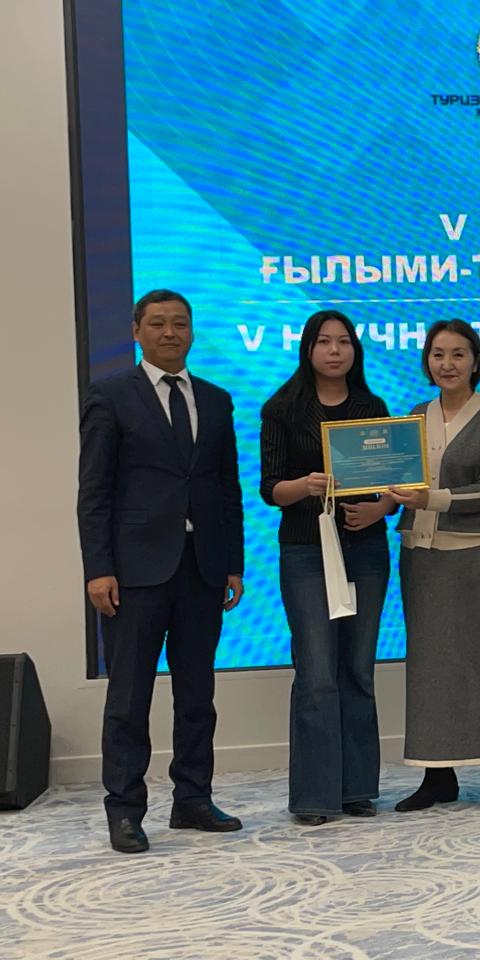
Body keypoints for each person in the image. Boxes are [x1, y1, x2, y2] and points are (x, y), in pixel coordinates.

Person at [78, 289, 245, 854]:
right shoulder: (109, 396)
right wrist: (98, 568)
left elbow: (226, 488)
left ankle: (193, 799)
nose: (169, 332)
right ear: (136, 331)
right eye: (157, 324)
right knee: (129, 699)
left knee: (197, 695)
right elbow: (94, 491)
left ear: (192, 332)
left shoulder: (216, 400)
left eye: (179, 323)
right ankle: (125, 810)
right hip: (134, 573)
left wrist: (233, 563)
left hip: (202, 568)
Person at [260, 310, 392, 825]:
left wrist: (381, 508)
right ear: (308, 349)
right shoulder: (282, 408)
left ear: (355, 350)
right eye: (324, 342)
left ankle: (357, 788)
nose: (334, 351)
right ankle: (315, 796)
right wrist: (305, 486)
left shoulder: (371, 407)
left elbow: (394, 481)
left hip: (365, 548)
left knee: (357, 669)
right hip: (307, 551)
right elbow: (271, 489)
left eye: (343, 342)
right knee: (317, 672)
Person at [385, 320, 480, 813]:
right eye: (438, 354)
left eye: (458, 354)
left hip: (475, 555)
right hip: (421, 556)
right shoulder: (415, 416)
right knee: (429, 667)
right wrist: (377, 503)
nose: (447, 364)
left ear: (475, 361)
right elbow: (398, 481)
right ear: (427, 361)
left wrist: (431, 498)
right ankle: (437, 776)